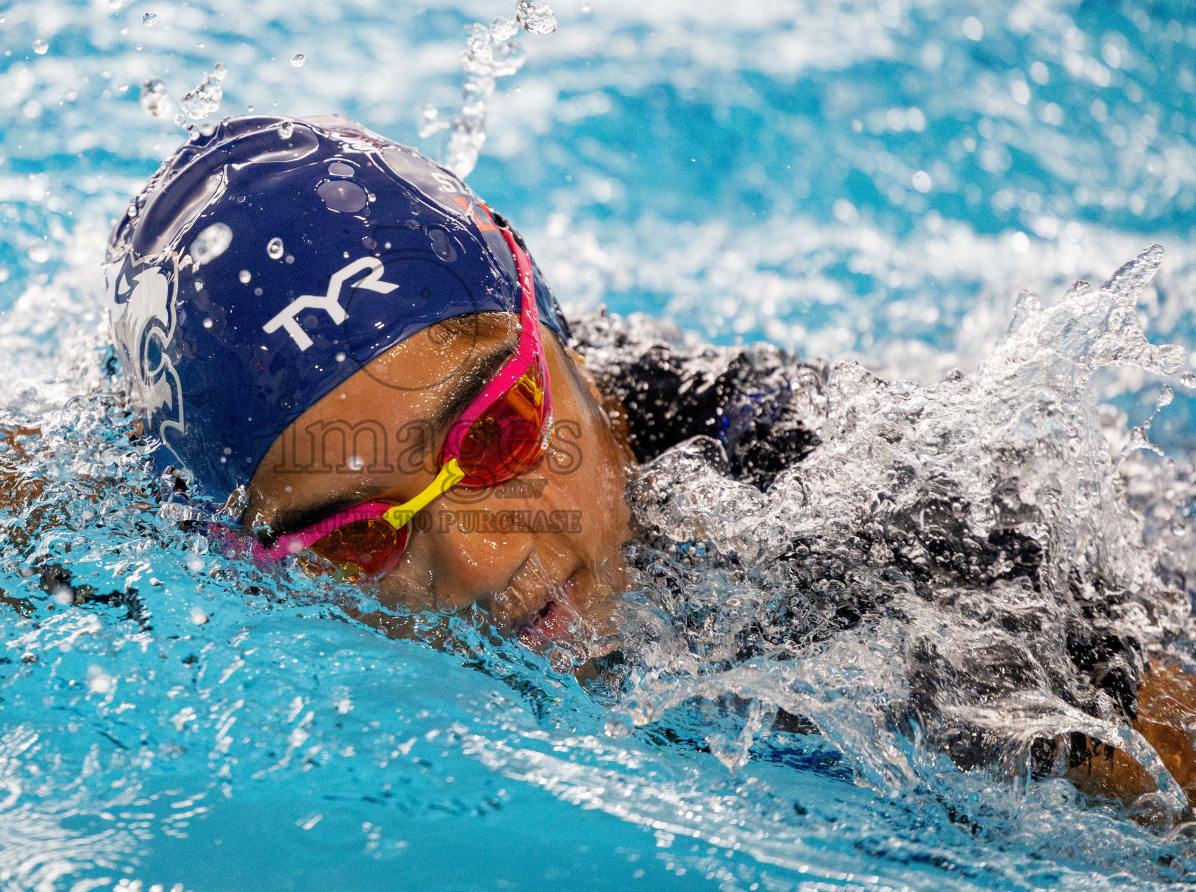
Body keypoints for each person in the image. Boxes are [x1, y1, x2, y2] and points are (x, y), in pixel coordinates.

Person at [106, 113, 1196, 809]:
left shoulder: (882, 532)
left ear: (559, 335)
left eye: (494, 434)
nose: (482, 566)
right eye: (356, 537)